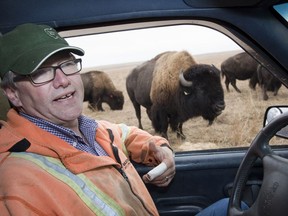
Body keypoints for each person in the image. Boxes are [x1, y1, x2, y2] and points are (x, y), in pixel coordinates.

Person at [0, 23, 245, 216]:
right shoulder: (14, 180)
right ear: (13, 94)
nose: (62, 80)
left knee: (234, 206)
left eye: (67, 64)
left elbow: (125, 133)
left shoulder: (91, 129)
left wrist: (158, 147)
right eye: (41, 73)